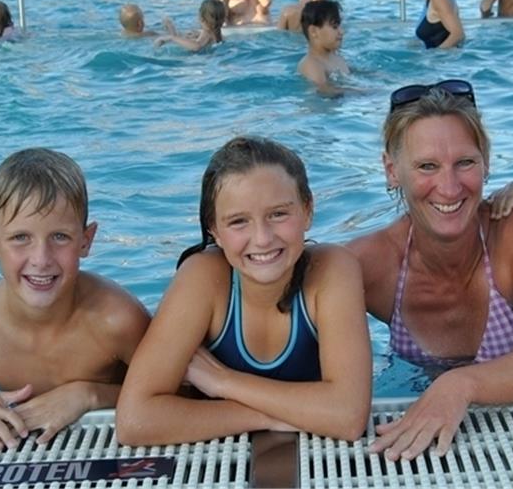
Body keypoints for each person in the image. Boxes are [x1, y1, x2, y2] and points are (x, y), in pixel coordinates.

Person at [347, 80, 513, 461]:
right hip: (416, 427)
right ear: (393, 171)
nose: (449, 186)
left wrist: (459, 385)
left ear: (486, 160)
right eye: (427, 166)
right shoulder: (370, 263)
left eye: (465, 163)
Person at [116, 136, 371, 445]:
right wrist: (273, 417)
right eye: (238, 221)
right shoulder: (203, 278)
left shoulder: (333, 270)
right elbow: (135, 421)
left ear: (307, 210)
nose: (262, 238)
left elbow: (347, 417)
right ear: (215, 231)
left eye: (278, 214)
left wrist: (224, 382)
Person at [0, 148, 150, 452]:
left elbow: (183, 393)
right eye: (20, 237)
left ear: (86, 240)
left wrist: (89, 395)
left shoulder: (117, 320)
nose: (41, 259)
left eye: (60, 236)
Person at [297, 0, 349, 97]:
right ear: (313, 31)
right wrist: (364, 92)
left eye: (339, 26)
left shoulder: (336, 57)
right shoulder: (311, 64)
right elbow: (324, 90)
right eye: (334, 27)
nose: (341, 31)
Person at [155, 0, 225, 52]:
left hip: (197, 59)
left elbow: (197, 46)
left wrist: (171, 37)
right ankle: (170, 27)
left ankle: (170, 29)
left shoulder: (207, 33)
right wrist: (198, 34)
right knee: (184, 37)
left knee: (174, 40)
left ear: (201, 18)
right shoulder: (217, 33)